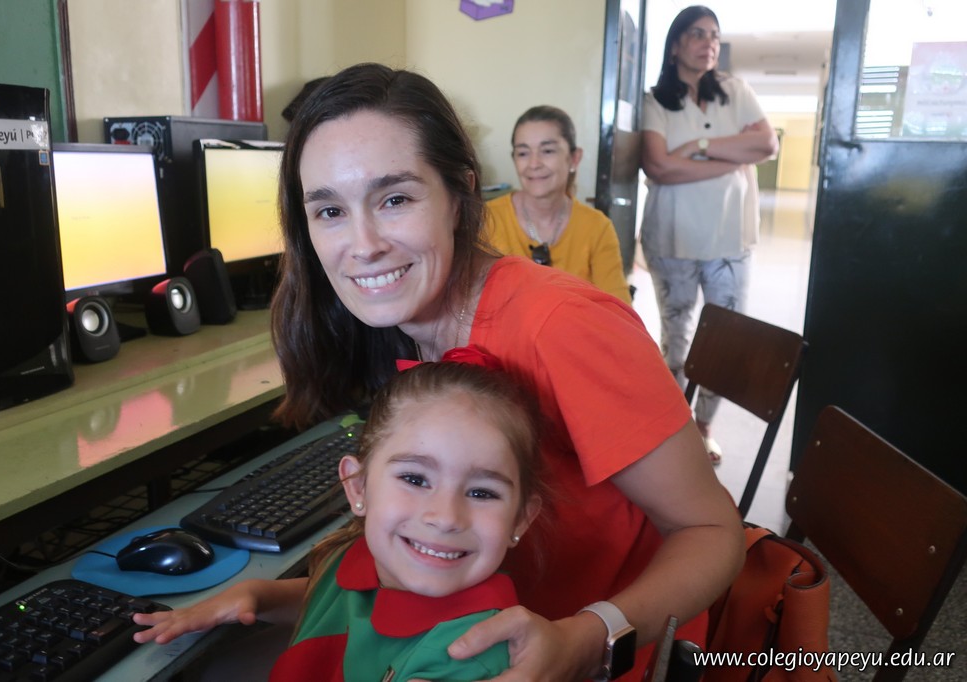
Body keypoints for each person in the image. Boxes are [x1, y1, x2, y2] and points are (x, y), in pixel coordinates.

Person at [139, 63, 744, 682]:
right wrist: (271, 596)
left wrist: (585, 640)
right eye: (329, 211)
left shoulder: (562, 327)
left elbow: (711, 530)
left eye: (395, 199)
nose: (363, 244)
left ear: (460, 196)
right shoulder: (402, 326)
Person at [136, 353, 547, 681]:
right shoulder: (359, 556)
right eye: (415, 479)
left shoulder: (468, 654)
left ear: (520, 520)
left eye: (481, 492)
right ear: (358, 487)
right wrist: (258, 595)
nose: (445, 517)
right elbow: (338, 603)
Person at [639, 5, 779, 465]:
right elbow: (658, 166)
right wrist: (730, 160)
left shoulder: (735, 92)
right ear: (675, 44)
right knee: (676, 338)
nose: (709, 43)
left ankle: (703, 427)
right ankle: (676, 427)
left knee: (726, 342)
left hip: (729, 240)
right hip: (672, 240)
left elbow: (766, 144)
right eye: (698, 34)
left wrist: (699, 147)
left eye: (715, 35)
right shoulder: (655, 101)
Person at [484, 105, 633, 304]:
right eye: (523, 153)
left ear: (574, 159)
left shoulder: (597, 227)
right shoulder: (486, 220)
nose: (534, 164)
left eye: (547, 151)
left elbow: (619, 309)